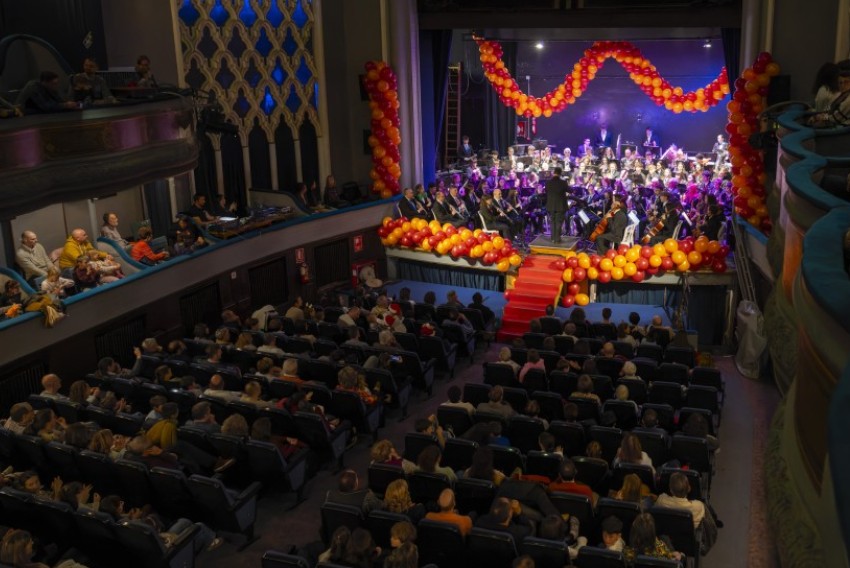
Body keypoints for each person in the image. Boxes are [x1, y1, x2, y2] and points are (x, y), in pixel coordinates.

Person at [546, 167, 568, 243]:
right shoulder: (563, 182)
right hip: (560, 206)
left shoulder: (548, 182)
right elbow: (570, 190)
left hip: (551, 206)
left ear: (553, 172)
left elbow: (546, 192)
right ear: (560, 173)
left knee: (552, 222)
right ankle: (557, 239)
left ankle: (552, 238)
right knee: (558, 222)